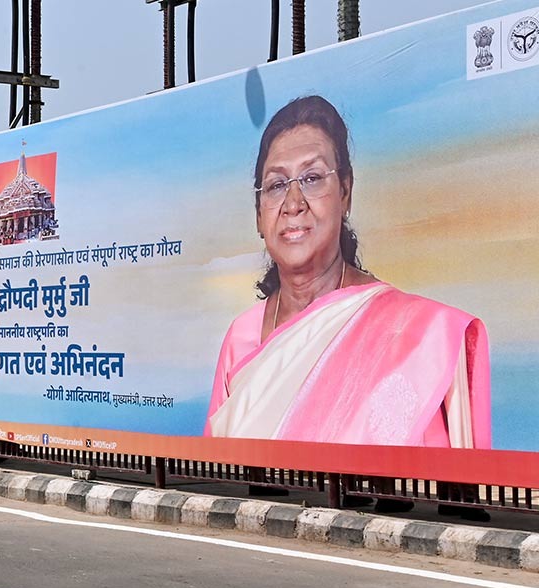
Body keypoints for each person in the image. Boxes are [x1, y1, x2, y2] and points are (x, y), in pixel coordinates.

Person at [205, 95, 490, 450]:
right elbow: (217, 478)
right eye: (277, 185)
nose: (293, 204)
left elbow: (453, 492)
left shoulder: (423, 336)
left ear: (345, 192)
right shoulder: (241, 338)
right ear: (258, 215)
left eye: (311, 178)